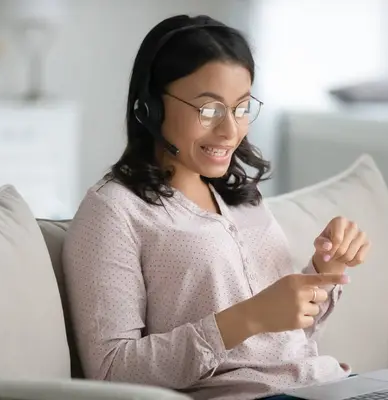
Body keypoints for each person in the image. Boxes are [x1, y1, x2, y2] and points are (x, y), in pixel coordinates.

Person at [62, 14, 371, 400]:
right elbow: (110, 372)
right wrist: (247, 318)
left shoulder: (242, 197)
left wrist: (327, 268)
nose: (230, 131)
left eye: (241, 108)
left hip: (326, 385)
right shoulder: (113, 211)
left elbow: (287, 342)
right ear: (151, 108)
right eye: (209, 110)